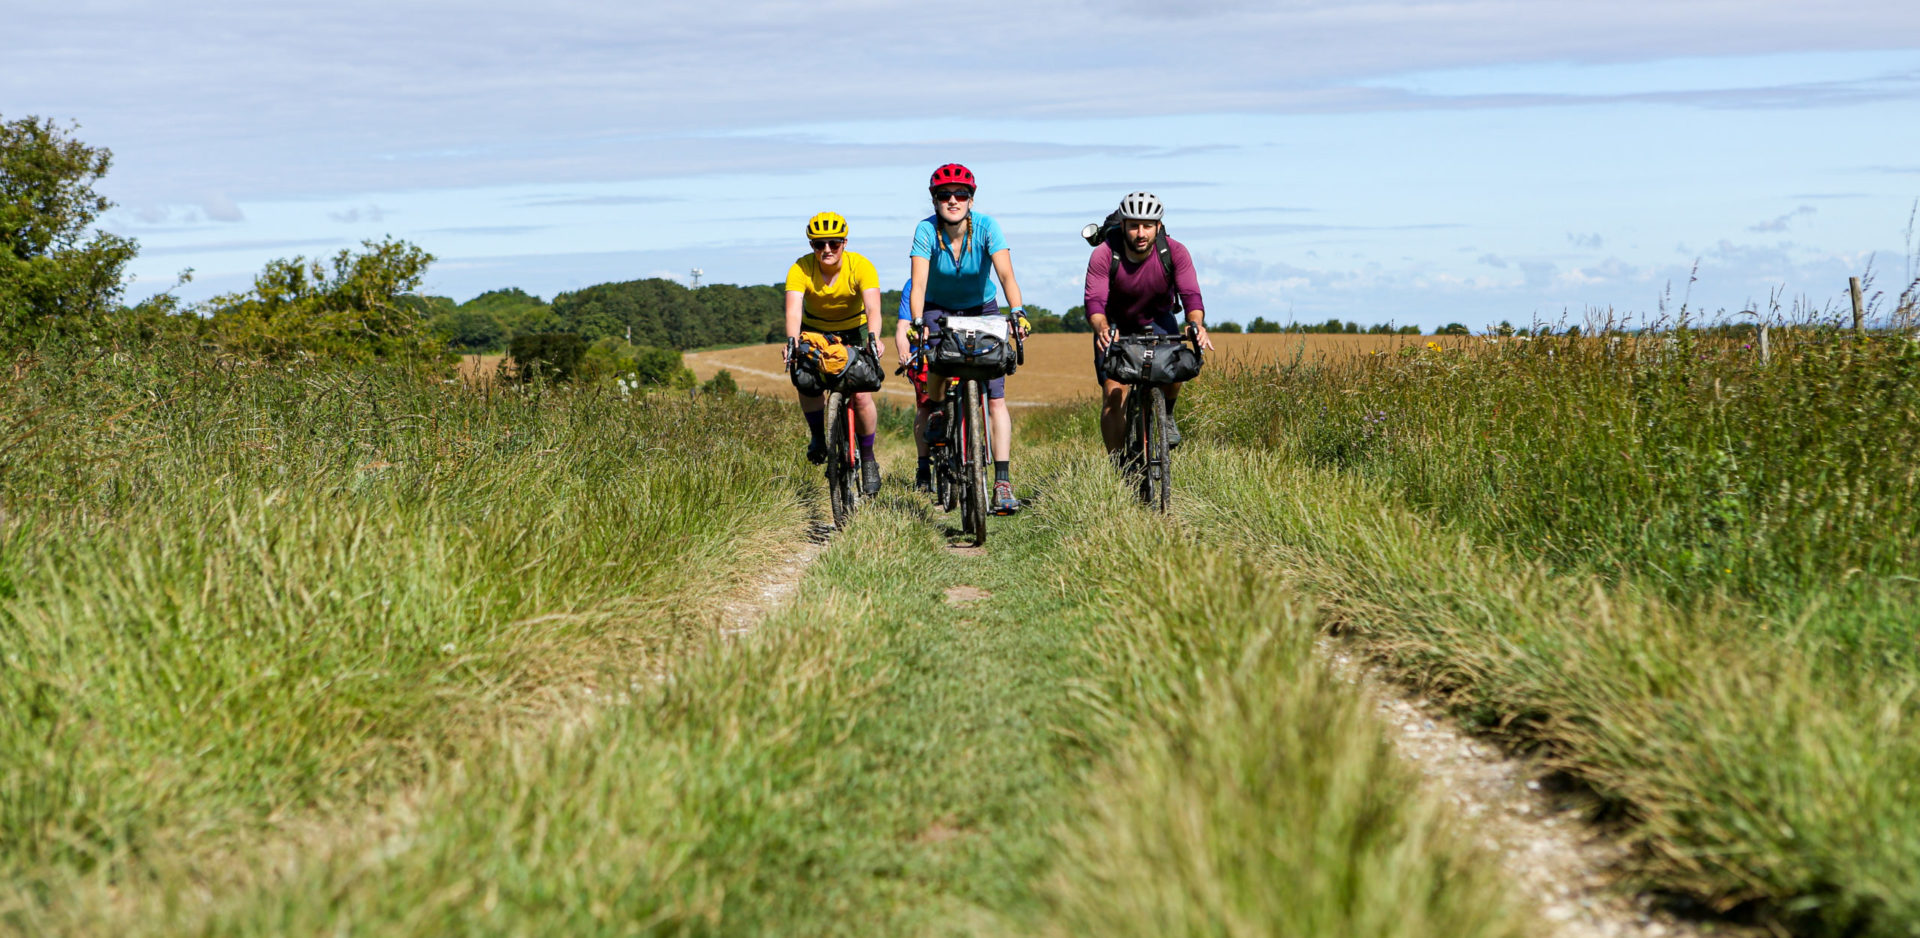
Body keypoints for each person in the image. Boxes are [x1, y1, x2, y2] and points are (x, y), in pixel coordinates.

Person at [904, 163, 1031, 514]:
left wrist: (1017, 311)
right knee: (937, 366)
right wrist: (916, 321)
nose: (953, 200)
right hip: (937, 308)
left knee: (995, 397)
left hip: (983, 308)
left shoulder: (988, 227)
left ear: (971, 200)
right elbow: (918, 283)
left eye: (961, 194)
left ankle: (1002, 482)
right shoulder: (926, 230)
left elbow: (1005, 274)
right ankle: (942, 411)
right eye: (945, 195)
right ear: (934, 201)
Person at [1083, 190, 1214, 456]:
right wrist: (1102, 328)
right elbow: (1094, 301)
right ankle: (1119, 467)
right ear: (1122, 226)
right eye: (1133, 226)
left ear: (1159, 227)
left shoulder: (1175, 252)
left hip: (1159, 321)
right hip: (1116, 326)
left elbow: (1191, 296)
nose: (1140, 233)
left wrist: (1195, 324)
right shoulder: (1105, 253)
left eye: (1147, 226)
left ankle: (1166, 414)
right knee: (1113, 394)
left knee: (1176, 360)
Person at [784, 211, 885, 495]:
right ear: (811, 245)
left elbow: (874, 308)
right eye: (818, 244)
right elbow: (793, 310)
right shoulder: (801, 268)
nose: (826, 250)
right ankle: (818, 436)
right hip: (815, 332)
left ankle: (867, 458)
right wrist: (791, 342)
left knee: (862, 392)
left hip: (855, 330)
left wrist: (874, 339)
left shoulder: (861, 266)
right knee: (805, 380)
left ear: (844, 242)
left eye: (833, 243)